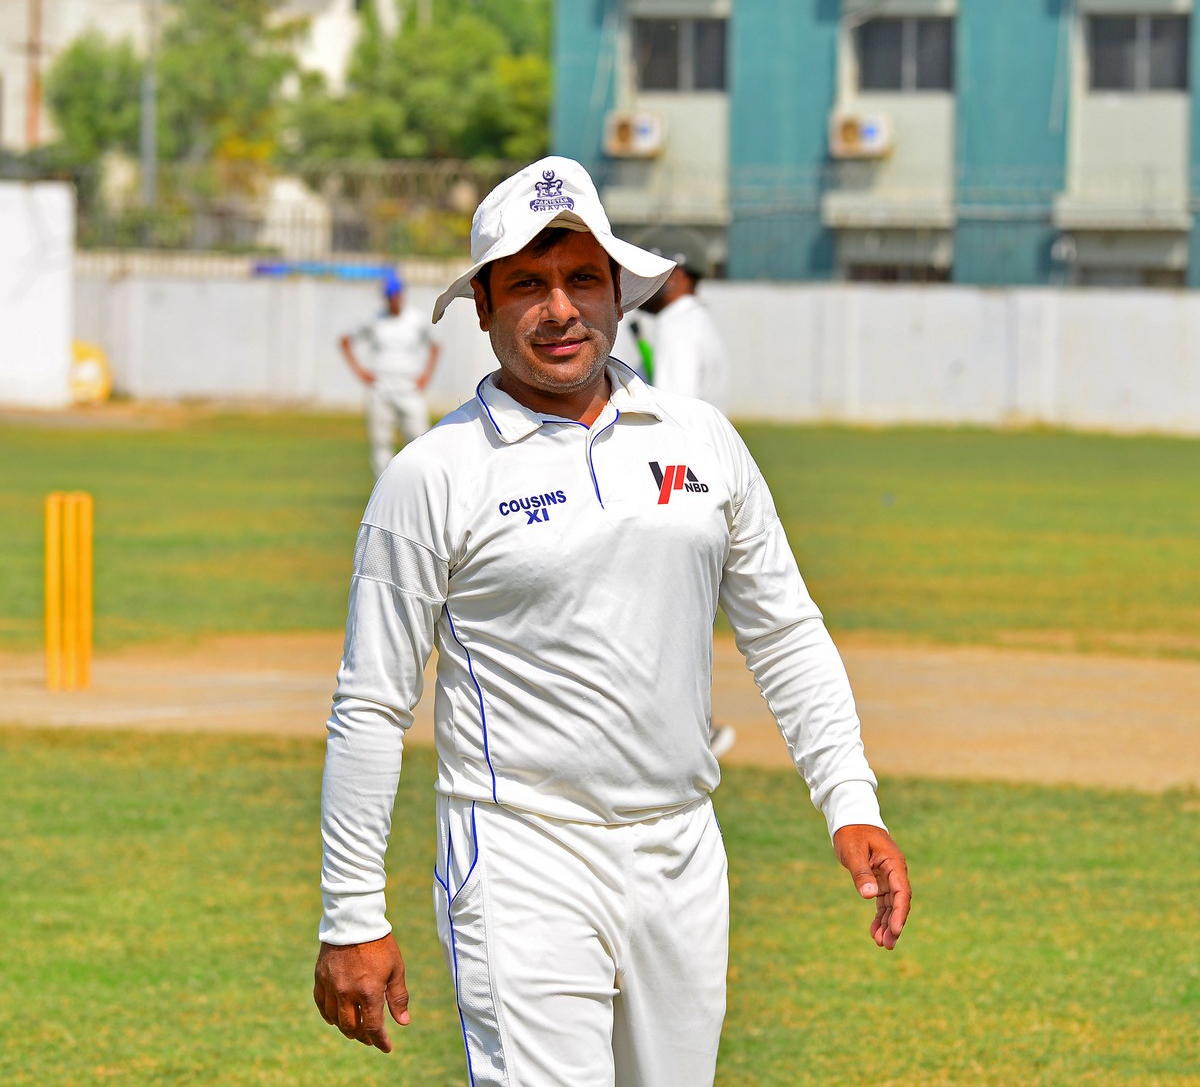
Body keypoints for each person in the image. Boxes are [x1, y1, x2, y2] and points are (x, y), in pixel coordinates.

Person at [313, 158, 911, 1087]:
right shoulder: (433, 474)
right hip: (520, 854)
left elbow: (785, 630)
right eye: (527, 284)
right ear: (483, 304)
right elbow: (371, 702)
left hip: (682, 849)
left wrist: (850, 798)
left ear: (618, 291)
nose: (560, 309)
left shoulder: (701, 439)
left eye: (582, 279)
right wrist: (353, 909)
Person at [634, 225, 736, 757]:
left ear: (674, 275)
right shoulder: (699, 325)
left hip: (669, 487)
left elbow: (666, 421)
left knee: (653, 621)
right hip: (698, 487)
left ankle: (691, 732)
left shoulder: (675, 330)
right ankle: (693, 727)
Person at [339, 272, 440, 479]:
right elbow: (345, 341)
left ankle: (416, 483)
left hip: (409, 385)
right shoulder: (374, 319)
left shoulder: (416, 319)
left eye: (396, 295)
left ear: (402, 294)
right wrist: (360, 372)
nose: (393, 299)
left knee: (419, 436)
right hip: (381, 386)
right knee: (381, 440)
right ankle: (382, 486)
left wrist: (426, 376)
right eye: (389, 296)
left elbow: (435, 346)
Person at [633, 225, 730, 412]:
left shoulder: (677, 328)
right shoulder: (694, 321)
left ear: (673, 277)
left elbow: (673, 415)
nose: (636, 281)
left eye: (645, 273)